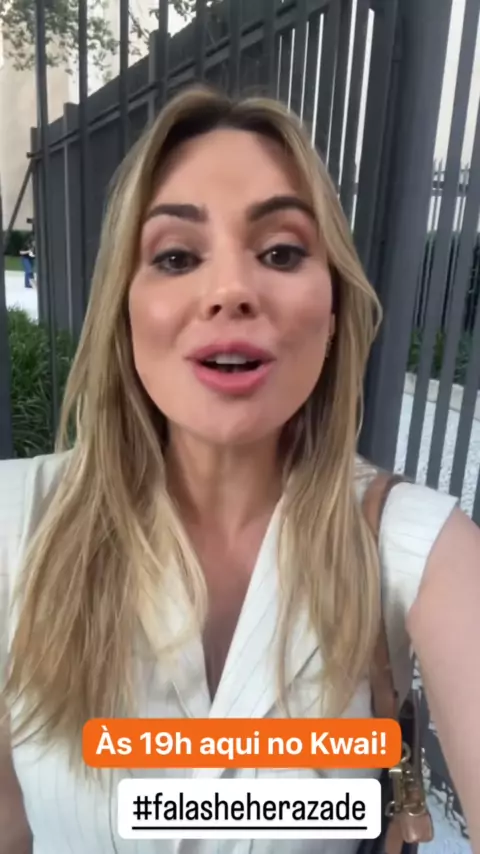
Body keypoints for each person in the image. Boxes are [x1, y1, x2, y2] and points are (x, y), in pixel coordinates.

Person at [0, 86, 479, 854]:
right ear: (125, 309)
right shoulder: (14, 523)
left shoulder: (427, 551)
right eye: (176, 257)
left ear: (332, 313)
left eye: (282, 252)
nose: (230, 291)